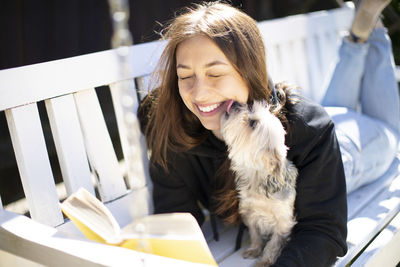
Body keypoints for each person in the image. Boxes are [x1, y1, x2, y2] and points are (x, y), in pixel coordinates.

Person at [137, 0, 397, 265]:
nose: (199, 93)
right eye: (185, 76)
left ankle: (370, 25)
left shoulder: (311, 128)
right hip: (321, 122)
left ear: (249, 72)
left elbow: (323, 231)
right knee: (338, 108)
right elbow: (175, 218)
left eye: (215, 73)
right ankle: (358, 36)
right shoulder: (172, 127)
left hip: (349, 152)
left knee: (391, 133)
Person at [322, 0, 400, 194]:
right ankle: (366, 29)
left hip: (336, 147)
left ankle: (370, 25)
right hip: (325, 126)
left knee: (391, 132)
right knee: (335, 112)